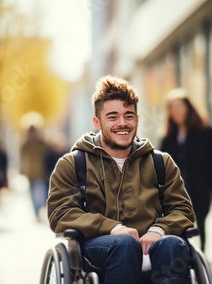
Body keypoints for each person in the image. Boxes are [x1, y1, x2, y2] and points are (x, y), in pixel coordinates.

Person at [47, 76, 195, 283]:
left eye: (129, 116)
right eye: (113, 117)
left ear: (137, 118)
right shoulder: (72, 164)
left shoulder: (161, 163)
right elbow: (60, 213)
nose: (122, 123)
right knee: (124, 244)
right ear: (97, 122)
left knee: (173, 245)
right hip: (98, 249)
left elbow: (183, 209)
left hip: (153, 243)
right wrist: (113, 228)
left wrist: (159, 229)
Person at [160, 89, 212, 252]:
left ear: (188, 108)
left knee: (201, 218)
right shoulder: (168, 136)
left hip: (200, 184)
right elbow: (161, 164)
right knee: (181, 220)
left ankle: (202, 250)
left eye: (179, 107)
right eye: (172, 108)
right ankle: (186, 250)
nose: (176, 111)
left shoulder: (205, 132)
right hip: (178, 187)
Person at [20, 125, 48, 221]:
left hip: (39, 172)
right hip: (32, 172)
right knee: (34, 192)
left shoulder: (40, 143)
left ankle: (37, 209)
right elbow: (23, 158)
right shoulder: (27, 144)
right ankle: (36, 210)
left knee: (38, 192)